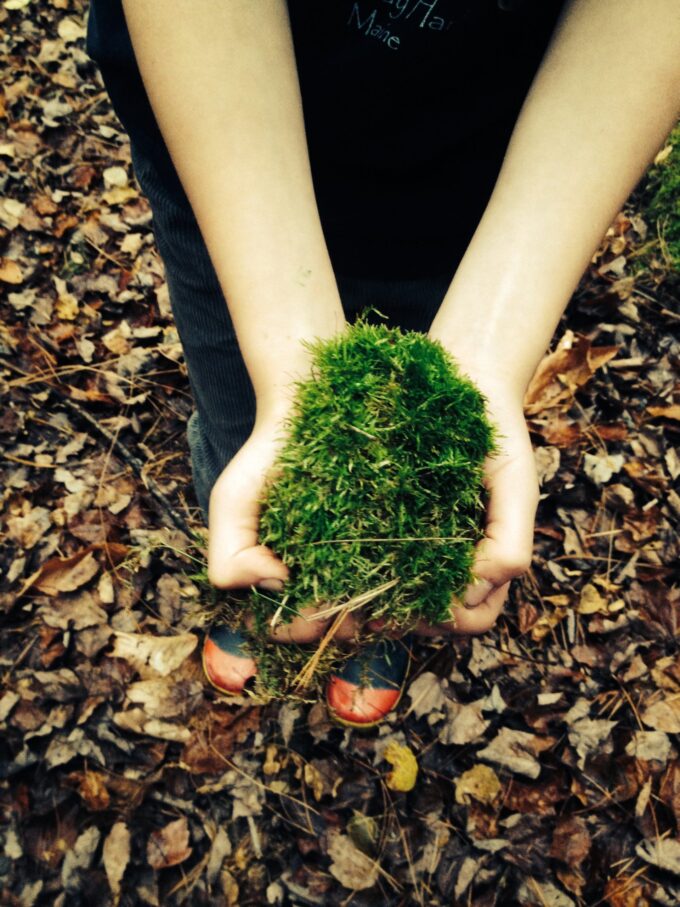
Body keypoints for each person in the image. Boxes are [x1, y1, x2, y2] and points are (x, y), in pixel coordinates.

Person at [86, 0, 680, 726]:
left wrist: (489, 353)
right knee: (244, 420)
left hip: (485, 182)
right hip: (217, 138)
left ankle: (378, 610)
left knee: (426, 466)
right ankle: (264, 579)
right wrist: (289, 352)